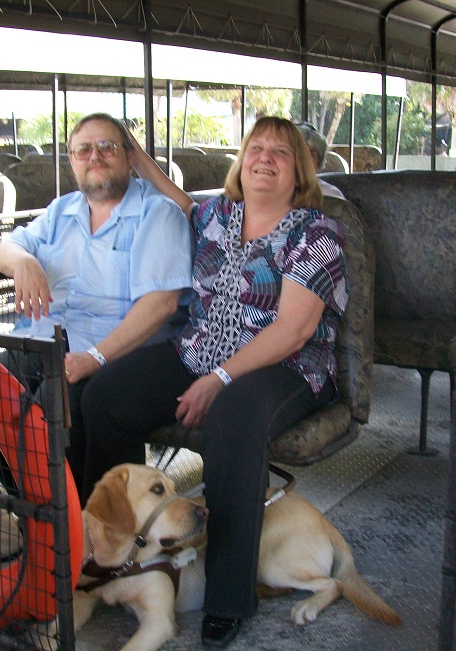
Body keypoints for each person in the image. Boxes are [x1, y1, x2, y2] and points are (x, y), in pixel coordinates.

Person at [80, 117, 349, 648]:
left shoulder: (317, 232)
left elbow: (294, 330)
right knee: (105, 397)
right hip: (199, 353)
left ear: (300, 172)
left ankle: (229, 595)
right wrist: (134, 154)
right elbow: (180, 200)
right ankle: (120, 555)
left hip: (285, 368)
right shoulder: (217, 215)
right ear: (241, 162)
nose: (264, 158)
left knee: (233, 416)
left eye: (280, 152)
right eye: (256, 148)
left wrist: (220, 378)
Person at [0, 112, 192, 486]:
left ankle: (80, 523)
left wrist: (93, 357)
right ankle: (31, 505)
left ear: (130, 157)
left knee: (53, 407)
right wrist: (24, 261)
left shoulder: (157, 213)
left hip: (112, 350)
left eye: (107, 147)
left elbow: (160, 304)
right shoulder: (60, 210)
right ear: (72, 162)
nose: (94, 156)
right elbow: (0, 252)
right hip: (43, 339)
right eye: (83, 150)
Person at [295, 122, 346, 199]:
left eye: (311, 155)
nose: (305, 160)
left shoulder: (331, 195)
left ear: (318, 162)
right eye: (299, 154)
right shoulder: (274, 193)